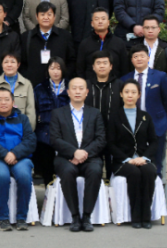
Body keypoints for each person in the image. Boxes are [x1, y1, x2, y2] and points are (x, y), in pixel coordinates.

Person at [49, 77, 106, 232]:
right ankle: (75, 216)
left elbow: (101, 139)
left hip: (90, 157)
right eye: (74, 88)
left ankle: (86, 216)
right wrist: (74, 152)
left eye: (81, 88)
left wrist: (84, 153)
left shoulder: (95, 113)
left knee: (95, 171)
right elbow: (54, 139)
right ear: (68, 92)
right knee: (68, 172)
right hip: (66, 158)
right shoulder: (58, 113)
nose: (78, 91)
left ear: (87, 92)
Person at [0, 88, 36, 231]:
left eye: (7, 99)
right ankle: (3, 218)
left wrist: (15, 154)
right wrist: (5, 154)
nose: (3, 102)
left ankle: (21, 217)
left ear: (13, 102)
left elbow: (30, 141)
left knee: (24, 176)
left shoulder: (23, 119)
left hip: (20, 158)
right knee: (2, 176)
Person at [106, 80, 159, 229]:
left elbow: (154, 141)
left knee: (149, 171)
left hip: (142, 159)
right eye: (127, 92)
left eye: (134, 92)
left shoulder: (145, 117)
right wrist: (127, 159)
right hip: (122, 162)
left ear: (139, 95)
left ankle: (146, 216)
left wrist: (144, 158)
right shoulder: (114, 117)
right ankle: (136, 217)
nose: (130, 95)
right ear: (121, 94)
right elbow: (110, 144)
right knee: (134, 173)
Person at [121, 45, 167, 176]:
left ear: (148, 58)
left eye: (142, 56)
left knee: (156, 162)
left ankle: (157, 187)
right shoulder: (125, 79)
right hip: (133, 126)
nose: (139, 59)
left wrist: (162, 118)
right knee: (136, 162)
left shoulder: (160, 76)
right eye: (135, 56)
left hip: (156, 125)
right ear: (131, 60)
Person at [32, 57, 70, 184]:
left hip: (66, 133)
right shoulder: (39, 88)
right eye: (52, 68)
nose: (55, 72)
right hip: (45, 134)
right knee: (47, 169)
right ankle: (48, 192)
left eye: (58, 68)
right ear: (47, 70)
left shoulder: (71, 87)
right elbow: (35, 111)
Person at [21, 2, 76, 87]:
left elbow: (71, 60)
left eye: (49, 14)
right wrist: (28, 77)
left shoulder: (65, 36)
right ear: (36, 16)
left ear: (54, 16)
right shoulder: (26, 37)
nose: (46, 17)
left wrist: (64, 76)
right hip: (33, 85)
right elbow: (22, 62)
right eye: (42, 14)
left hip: (58, 86)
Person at [76, 7, 131, 80]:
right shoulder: (85, 44)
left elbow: (124, 68)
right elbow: (80, 70)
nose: (100, 21)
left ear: (108, 22)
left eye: (103, 19)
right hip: (90, 84)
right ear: (92, 23)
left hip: (115, 84)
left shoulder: (119, 43)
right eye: (96, 19)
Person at [0, 53, 37, 132]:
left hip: (21, 131)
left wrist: (27, 132)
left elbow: (30, 111)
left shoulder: (26, 84)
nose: (9, 65)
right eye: (6, 62)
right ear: (2, 65)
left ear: (18, 65)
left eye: (13, 62)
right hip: (0, 132)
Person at [131, 15, 167, 82]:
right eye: (147, 28)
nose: (150, 31)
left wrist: (159, 85)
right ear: (143, 29)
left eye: (153, 27)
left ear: (159, 29)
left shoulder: (166, 48)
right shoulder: (134, 47)